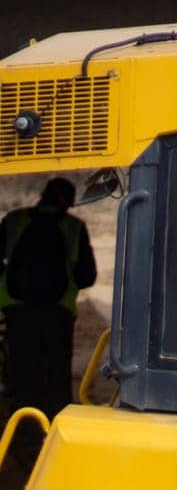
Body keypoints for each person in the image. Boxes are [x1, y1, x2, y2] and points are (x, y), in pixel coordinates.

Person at [0, 178, 97, 421]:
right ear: (67, 202)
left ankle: (23, 429)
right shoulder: (74, 227)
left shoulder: (14, 220)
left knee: (22, 371)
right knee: (57, 374)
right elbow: (87, 277)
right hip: (58, 312)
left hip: (17, 309)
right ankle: (55, 425)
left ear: (43, 195)